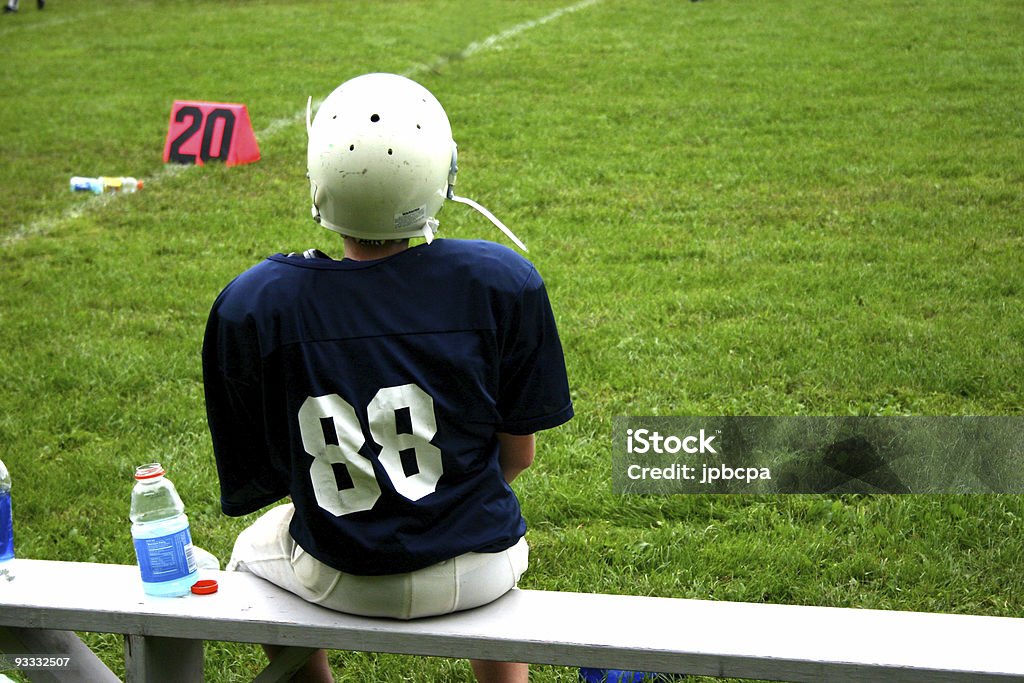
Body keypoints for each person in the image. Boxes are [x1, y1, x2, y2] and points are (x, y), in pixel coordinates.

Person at [202, 73, 573, 683]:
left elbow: (273, 477)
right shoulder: (499, 281)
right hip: (481, 568)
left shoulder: (256, 302)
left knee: (249, 553)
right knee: (490, 534)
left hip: (346, 574)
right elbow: (519, 456)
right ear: (440, 174)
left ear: (320, 180)